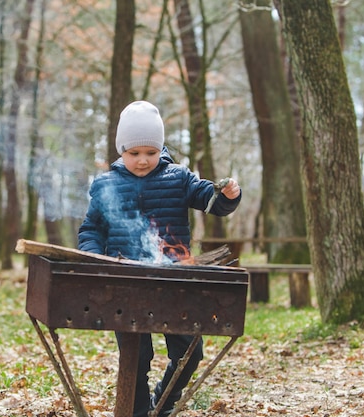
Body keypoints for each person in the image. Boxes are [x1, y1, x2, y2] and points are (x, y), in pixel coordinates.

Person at [78, 100, 241, 417]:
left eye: (151, 153)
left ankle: (163, 405)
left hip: (173, 280)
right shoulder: (105, 184)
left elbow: (209, 200)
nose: (142, 161)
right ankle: (137, 412)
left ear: (161, 148)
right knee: (135, 357)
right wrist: (95, 258)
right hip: (125, 283)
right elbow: (91, 229)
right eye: (134, 153)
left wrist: (227, 197)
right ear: (121, 150)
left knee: (189, 351)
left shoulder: (179, 178)